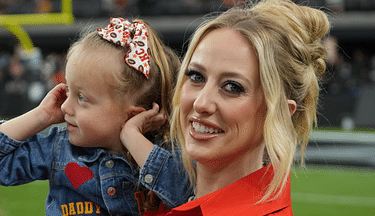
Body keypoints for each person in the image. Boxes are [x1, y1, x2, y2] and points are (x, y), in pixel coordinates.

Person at [120, 0, 330, 215]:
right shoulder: (140, 191)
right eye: (196, 76)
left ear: (281, 114)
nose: (201, 103)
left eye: (232, 87)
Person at [0, 17, 191, 216]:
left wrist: (131, 136)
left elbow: (187, 196)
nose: (66, 107)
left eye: (81, 98)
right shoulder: (59, 148)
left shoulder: (164, 151)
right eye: (68, 90)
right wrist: (40, 116)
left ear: (132, 116)